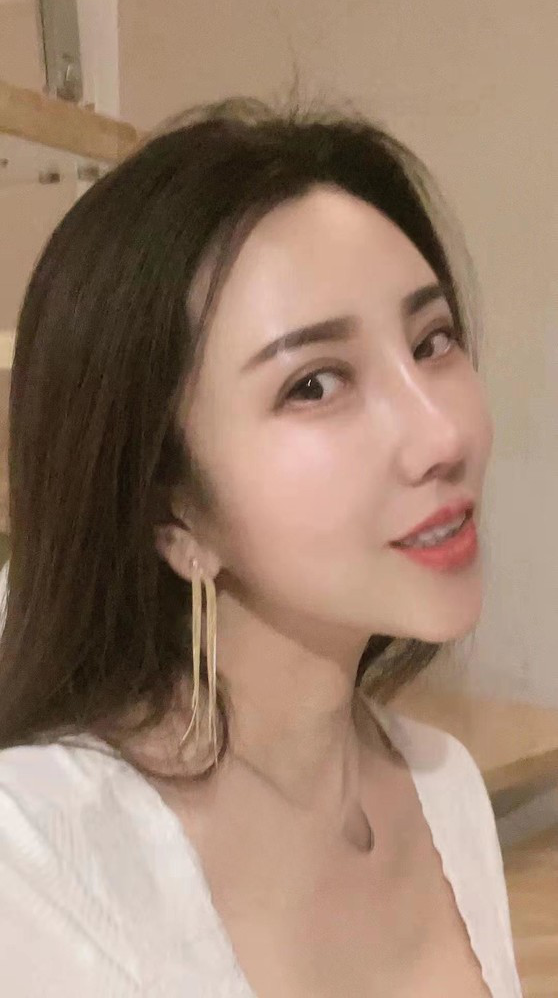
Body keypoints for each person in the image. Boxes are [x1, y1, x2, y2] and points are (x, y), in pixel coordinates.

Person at [0, 99, 522, 997]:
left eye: (432, 340)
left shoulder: (446, 792)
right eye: (314, 384)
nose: (443, 435)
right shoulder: (38, 865)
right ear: (171, 513)